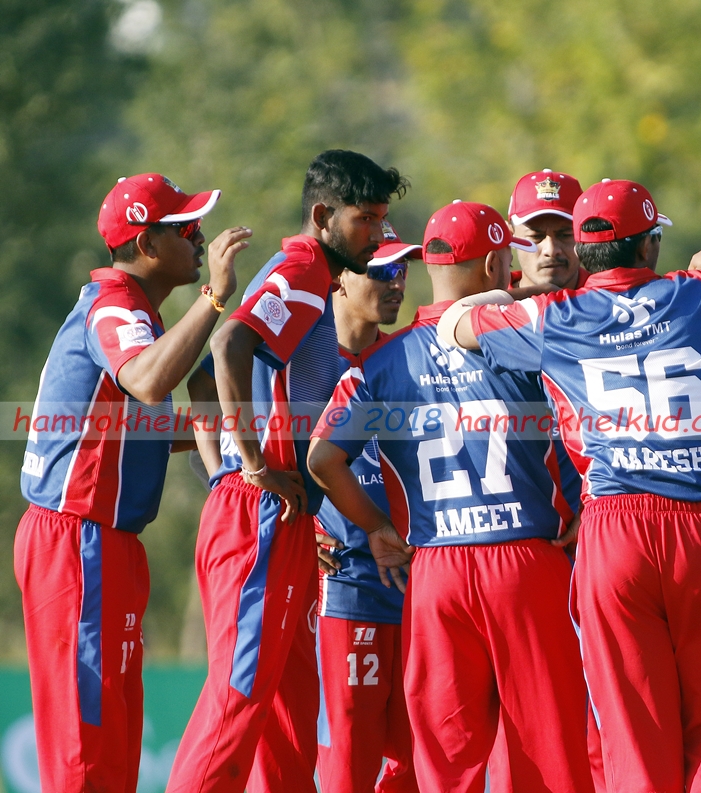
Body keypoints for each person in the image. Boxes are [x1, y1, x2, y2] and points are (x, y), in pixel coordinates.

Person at [444, 177, 701, 792]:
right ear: (650, 245)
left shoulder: (550, 315)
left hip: (613, 531)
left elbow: (454, 326)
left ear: (581, 250)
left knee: (632, 738)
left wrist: (520, 292)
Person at [309, 200, 596, 793]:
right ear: (494, 264)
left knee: (446, 763)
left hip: (435, 570)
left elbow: (322, 459)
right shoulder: (526, 339)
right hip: (526, 562)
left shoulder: (379, 363)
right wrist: (586, 501)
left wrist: (376, 528)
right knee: (550, 757)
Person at [167, 149, 408, 793]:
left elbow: (202, 386)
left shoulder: (311, 276)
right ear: (323, 216)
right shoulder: (303, 269)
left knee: (288, 711)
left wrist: (224, 472)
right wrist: (248, 467)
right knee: (240, 697)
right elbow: (227, 345)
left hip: (283, 517)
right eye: (365, 220)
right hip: (262, 515)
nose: (378, 235)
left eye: (381, 219)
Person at [15, 173, 244, 791]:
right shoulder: (115, 304)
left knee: (114, 742)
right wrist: (214, 299)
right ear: (146, 244)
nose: (199, 238)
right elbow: (145, 381)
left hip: (102, 543)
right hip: (76, 541)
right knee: (86, 749)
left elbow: (142, 425)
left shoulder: (137, 311)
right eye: (185, 228)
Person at [312, 230, 419, 793]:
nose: (395, 282)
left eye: (401, 270)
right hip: (345, 585)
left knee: (417, 763)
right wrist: (292, 518)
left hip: (420, 584)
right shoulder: (302, 359)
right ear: (339, 278)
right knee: (348, 761)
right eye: (379, 270)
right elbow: (217, 404)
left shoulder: (410, 356)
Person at [508, 168, 589, 289]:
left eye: (565, 235)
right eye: (536, 236)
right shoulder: (487, 299)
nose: (551, 250)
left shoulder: (611, 297)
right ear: (510, 236)